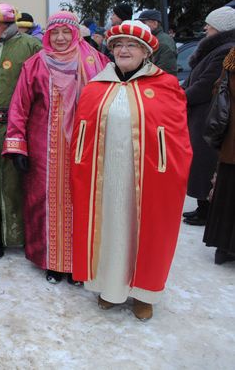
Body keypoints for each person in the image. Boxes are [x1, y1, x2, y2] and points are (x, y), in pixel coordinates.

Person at [71, 20, 192, 321]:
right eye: (118, 45)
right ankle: (110, 288)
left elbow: (176, 137)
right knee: (109, 228)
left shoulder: (165, 86)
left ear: (146, 52)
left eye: (132, 46)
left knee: (146, 233)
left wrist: (167, 167)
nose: (124, 50)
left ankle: (144, 293)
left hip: (148, 177)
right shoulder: (96, 86)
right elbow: (82, 132)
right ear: (111, 50)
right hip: (105, 177)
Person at [3, 11, 109, 283]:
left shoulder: (97, 62)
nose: (61, 38)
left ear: (75, 33)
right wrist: (18, 146)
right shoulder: (36, 64)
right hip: (44, 150)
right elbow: (19, 107)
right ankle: (50, 260)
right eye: (55, 33)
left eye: (66, 32)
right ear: (47, 35)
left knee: (81, 203)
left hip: (84, 147)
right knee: (44, 204)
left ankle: (77, 263)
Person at [0, 2, 42, 258]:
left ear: (2, 25)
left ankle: (23, 236)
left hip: (20, 129)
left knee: (18, 183)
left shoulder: (30, 46)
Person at [183, 6, 235, 225]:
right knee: (199, 162)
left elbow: (206, 85)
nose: (205, 27)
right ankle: (202, 206)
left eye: (209, 24)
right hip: (202, 113)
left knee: (205, 162)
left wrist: (180, 97)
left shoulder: (225, 50)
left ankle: (207, 209)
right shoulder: (217, 48)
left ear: (220, 27)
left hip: (209, 113)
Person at [204, 47, 235, 264]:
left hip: (231, 143)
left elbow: (220, 91)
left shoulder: (231, 58)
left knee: (228, 192)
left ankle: (224, 248)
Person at [138, 9, 178, 75]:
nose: (140, 25)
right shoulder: (151, 39)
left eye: (144, 23)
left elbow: (166, 70)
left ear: (155, 23)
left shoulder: (163, 42)